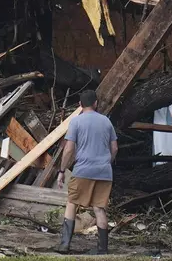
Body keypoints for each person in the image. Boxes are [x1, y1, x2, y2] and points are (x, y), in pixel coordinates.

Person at [55, 90, 118, 255]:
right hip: (104, 171)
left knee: (72, 203)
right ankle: (102, 249)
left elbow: (69, 149)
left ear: (80, 105)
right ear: (96, 103)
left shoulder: (76, 122)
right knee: (99, 208)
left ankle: (64, 245)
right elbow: (115, 148)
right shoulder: (106, 122)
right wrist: (106, 163)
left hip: (83, 170)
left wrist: (62, 170)